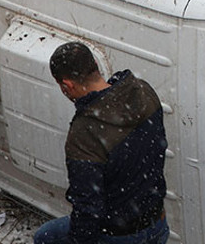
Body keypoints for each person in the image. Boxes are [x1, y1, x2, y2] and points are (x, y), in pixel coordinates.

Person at [31, 42, 169, 244]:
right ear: (95, 64)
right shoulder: (142, 91)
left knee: (45, 238)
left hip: (119, 235)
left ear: (67, 85)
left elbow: (88, 209)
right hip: (157, 224)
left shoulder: (85, 134)